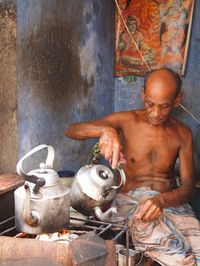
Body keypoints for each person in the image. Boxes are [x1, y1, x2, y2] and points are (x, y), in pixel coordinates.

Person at [65, 68, 200, 265]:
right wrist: (105, 130)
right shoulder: (125, 121)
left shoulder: (183, 133)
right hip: (133, 204)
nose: (155, 113)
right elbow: (71, 130)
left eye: (164, 106)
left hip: (171, 204)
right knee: (179, 258)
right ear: (143, 93)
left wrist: (162, 201)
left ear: (177, 100)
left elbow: (188, 188)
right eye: (150, 103)